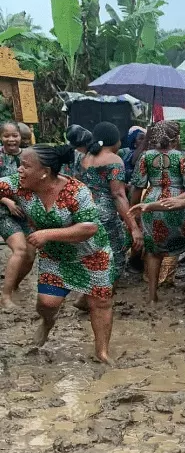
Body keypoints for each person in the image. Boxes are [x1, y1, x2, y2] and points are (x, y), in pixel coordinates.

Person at [0, 144, 115, 362]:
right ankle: (48, 322)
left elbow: (89, 227)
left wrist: (47, 234)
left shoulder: (76, 191)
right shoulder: (18, 185)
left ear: (44, 172)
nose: (19, 171)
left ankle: (102, 352)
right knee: (47, 303)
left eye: (25, 166)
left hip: (92, 255)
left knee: (99, 302)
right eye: (20, 166)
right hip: (55, 256)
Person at [130, 122, 185, 303]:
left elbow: (137, 186)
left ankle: (152, 295)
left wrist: (134, 212)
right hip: (177, 201)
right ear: (176, 138)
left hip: (152, 202)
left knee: (153, 251)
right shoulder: (183, 157)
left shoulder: (146, 157)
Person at [75, 122, 142, 288]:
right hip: (105, 216)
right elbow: (118, 195)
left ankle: (87, 294)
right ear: (115, 140)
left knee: (93, 253)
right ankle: (96, 299)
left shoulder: (84, 157)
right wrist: (133, 227)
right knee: (116, 258)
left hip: (83, 212)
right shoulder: (114, 160)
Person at [0, 121, 35, 308]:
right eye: (7, 135)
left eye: (14, 135)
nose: (11, 139)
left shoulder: (28, 156)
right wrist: (6, 201)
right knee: (20, 249)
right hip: (3, 212)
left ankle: (13, 285)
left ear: (21, 137)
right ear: (1, 137)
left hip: (26, 212)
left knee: (30, 255)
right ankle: (5, 297)